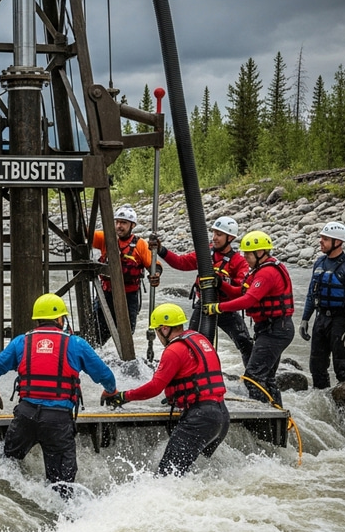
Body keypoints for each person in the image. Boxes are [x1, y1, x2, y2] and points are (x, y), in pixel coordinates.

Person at [0, 292, 120, 498]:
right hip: (58, 421)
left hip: (26, 416)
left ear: (37, 320)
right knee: (62, 486)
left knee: (6, 466)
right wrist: (111, 391)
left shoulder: (21, 342)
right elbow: (105, 375)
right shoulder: (76, 344)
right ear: (60, 319)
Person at [111, 303, 229, 476]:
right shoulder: (200, 340)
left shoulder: (174, 350)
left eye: (157, 331)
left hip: (200, 418)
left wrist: (124, 396)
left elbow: (154, 387)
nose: (158, 335)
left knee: (166, 476)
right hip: (222, 416)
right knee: (191, 474)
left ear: (165, 329)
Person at [203, 230, 294, 406]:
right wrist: (221, 284)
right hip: (271, 329)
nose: (245, 257)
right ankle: (275, 413)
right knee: (267, 378)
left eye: (248, 254)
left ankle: (262, 418)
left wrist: (218, 307)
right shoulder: (259, 269)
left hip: (275, 331)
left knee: (253, 377)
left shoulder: (267, 273)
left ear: (260, 253)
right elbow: (241, 292)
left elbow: (248, 300)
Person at [150, 216, 253, 365]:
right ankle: (189, 371)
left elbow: (240, 291)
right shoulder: (205, 254)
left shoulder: (239, 261)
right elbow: (181, 262)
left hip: (225, 309)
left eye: (219, 234)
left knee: (245, 343)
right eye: (214, 233)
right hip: (203, 306)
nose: (214, 238)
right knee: (190, 343)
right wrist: (160, 250)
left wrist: (221, 283)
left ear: (230, 238)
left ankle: (252, 378)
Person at [300, 221, 345, 389]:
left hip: (341, 321)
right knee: (316, 365)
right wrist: (305, 319)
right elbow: (311, 293)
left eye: (325, 239)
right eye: (321, 237)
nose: (320, 241)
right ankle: (322, 402)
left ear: (338, 242)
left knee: (342, 367)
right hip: (321, 319)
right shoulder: (319, 263)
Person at [91, 204, 162, 342]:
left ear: (132, 225)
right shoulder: (105, 238)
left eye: (123, 223)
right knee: (97, 334)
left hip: (129, 296)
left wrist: (156, 275)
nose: (119, 226)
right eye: (117, 222)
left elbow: (155, 266)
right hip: (106, 295)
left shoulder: (140, 245)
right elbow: (86, 234)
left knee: (127, 335)